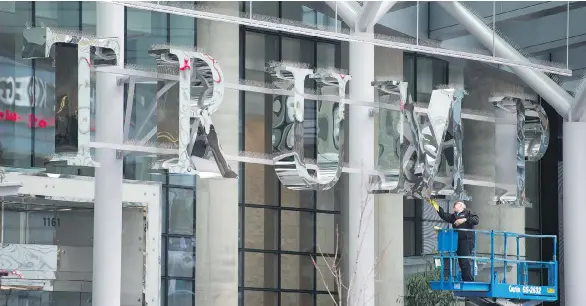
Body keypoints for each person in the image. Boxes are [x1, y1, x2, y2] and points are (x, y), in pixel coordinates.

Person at [429, 199, 479, 282]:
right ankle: (465, 279)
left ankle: (468, 281)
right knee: (461, 261)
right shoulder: (454, 216)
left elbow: (476, 220)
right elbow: (444, 215)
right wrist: (436, 205)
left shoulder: (468, 212)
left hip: (467, 240)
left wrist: (464, 220)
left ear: (460, 206)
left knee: (464, 261)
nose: (453, 207)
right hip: (457, 240)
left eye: (455, 205)